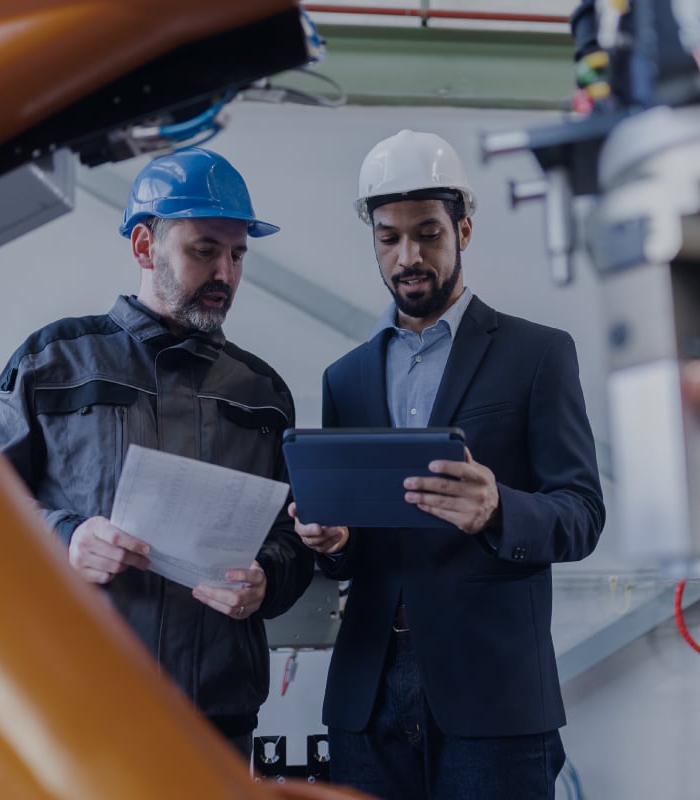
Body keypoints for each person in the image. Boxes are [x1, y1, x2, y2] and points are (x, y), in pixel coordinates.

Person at [289, 130, 606, 800]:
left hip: (494, 697)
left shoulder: (538, 356)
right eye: (389, 237)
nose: (409, 256)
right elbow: (350, 552)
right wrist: (334, 543)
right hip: (368, 698)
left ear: (463, 227)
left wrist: (500, 509)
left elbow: (581, 514)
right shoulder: (345, 378)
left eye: (428, 233)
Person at [0, 147, 315, 760]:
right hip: (80, 709)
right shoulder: (51, 363)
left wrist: (266, 582)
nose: (226, 273)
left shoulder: (262, 394)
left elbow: (294, 539)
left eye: (238, 254)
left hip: (218, 718)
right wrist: (64, 538)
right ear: (143, 246)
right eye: (203, 250)